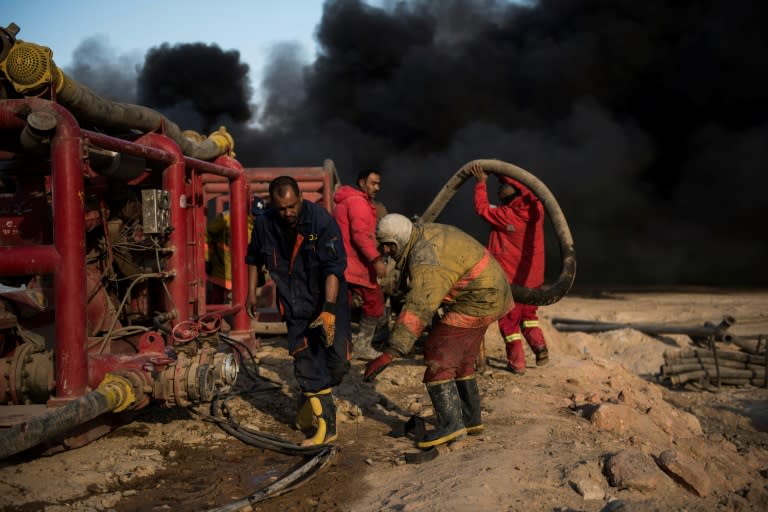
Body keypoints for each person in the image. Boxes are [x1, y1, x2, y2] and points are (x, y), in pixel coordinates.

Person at [364, 213, 512, 449]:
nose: (385, 252)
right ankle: (470, 419)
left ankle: (450, 425)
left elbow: (419, 306)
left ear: (394, 244)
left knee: (436, 354)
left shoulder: (423, 258)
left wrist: (390, 353)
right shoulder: (423, 233)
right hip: (491, 290)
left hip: (479, 297)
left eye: (387, 247)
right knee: (462, 360)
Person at [245, 176, 351, 446]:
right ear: (273, 204)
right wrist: (251, 293)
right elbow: (254, 258)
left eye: (292, 206)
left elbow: (333, 269)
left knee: (337, 364)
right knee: (306, 362)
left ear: (300, 199)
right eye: (282, 208)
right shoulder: (264, 224)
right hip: (294, 304)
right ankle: (327, 430)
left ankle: (309, 399)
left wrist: (327, 310)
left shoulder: (321, 222)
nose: (288, 213)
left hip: (328, 300)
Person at [470, 164, 549, 374]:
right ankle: (540, 348)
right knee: (529, 316)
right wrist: (503, 173)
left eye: (503, 185)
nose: (500, 188)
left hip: (512, 282)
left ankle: (517, 363)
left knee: (509, 322)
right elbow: (531, 190)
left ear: (514, 191)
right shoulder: (536, 210)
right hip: (533, 280)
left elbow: (482, 208)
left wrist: (481, 183)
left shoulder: (506, 215)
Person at [332, 169, 387, 360]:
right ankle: (362, 346)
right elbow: (360, 235)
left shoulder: (348, 201)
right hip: (357, 265)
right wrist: (376, 259)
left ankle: (339, 348)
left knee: (342, 307)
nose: (377, 187)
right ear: (362, 183)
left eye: (378, 183)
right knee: (375, 302)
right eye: (373, 183)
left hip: (344, 264)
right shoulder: (358, 202)